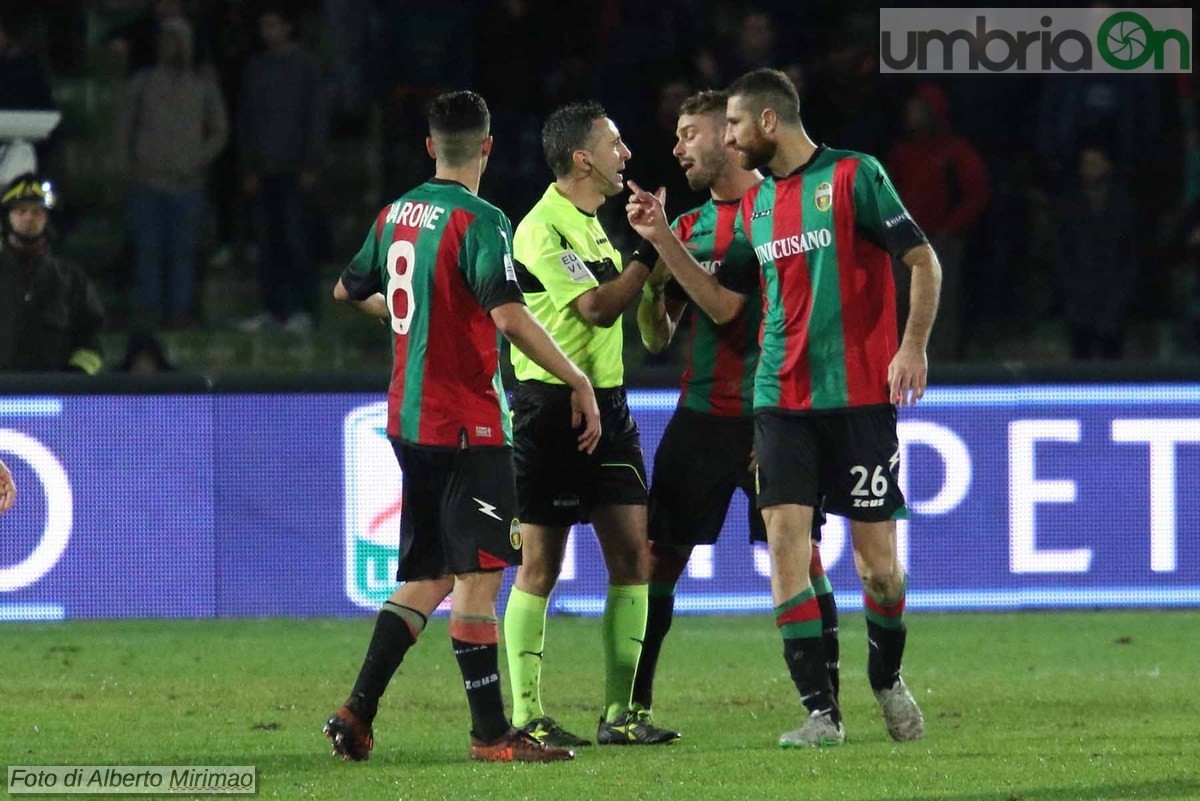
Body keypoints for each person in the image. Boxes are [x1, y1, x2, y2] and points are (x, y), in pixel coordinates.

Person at [628, 68, 940, 748]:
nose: (731, 140)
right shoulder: (760, 210)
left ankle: (885, 676)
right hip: (779, 403)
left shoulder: (856, 177)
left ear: (768, 122)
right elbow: (726, 306)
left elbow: (923, 261)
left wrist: (911, 346)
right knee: (788, 553)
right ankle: (821, 712)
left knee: (876, 566)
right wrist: (660, 249)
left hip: (858, 397)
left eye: (734, 126)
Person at [323, 90, 599, 764]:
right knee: (478, 576)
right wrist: (577, 378)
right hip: (468, 425)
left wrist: (410, 324)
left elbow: (347, 289)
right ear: (487, 146)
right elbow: (509, 317)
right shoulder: (483, 220)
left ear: (428, 147)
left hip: (408, 420)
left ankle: (355, 712)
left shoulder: (396, 213)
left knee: (428, 574)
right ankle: (490, 733)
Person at [631, 89, 841, 728]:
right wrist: (654, 283)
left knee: (798, 555)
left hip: (772, 413)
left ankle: (827, 704)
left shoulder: (772, 215)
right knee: (659, 555)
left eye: (688, 134)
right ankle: (633, 702)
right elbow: (657, 338)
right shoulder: (690, 227)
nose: (677, 148)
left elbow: (727, 309)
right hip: (700, 414)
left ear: (728, 135)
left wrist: (664, 242)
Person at [503, 101, 678, 747]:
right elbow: (596, 309)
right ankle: (525, 713)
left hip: (612, 407)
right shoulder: (541, 229)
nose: (626, 155)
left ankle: (621, 712)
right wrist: (646, 249)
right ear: (583, 158)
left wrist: (655, 264)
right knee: (541, 566)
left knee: (636, 554)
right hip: (550, 408)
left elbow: (636, 315)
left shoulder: (597, 226)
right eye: (616, 144)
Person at [115, 16, 228, 328]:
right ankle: (149, 312)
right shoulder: (142, 84)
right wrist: (131, 165)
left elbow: (219, 131)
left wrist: (197, 159)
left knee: (183, 254)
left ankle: (180, 312)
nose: (169, 47)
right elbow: (124, 129)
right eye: (164, 40)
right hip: (148, 182)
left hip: (188, 184)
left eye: (175, 40)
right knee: (149, 252)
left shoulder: (203, 87)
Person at [235, 7, 327, 335]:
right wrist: (249, 168)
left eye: (273, 24)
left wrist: (311, 163)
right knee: (267, 244)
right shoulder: (257, 68)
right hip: (264, 170)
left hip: (295, 169)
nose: (267, 31)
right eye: (264, 25)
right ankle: (271, 310)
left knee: (296, 242)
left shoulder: (306, 67)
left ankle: (303, 310)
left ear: (288, 27)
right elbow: (247, 121)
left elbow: (315, 117)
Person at [0, 174, 104, 374]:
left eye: (37, 212)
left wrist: (74, 378)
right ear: (8, 217)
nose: (28, 218)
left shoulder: (71, 280)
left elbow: (91, 341)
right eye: (21, 210)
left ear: (47, 219)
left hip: (53, 397)